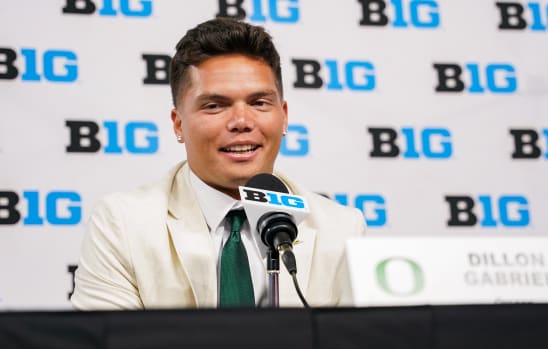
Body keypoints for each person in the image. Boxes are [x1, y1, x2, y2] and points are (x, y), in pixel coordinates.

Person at [71, 17, 367, 309]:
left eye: (259, 103)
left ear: (284, 115)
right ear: (178, 125)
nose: (241, 122)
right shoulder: (121, 224)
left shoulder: (342, 229)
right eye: (214, 106)